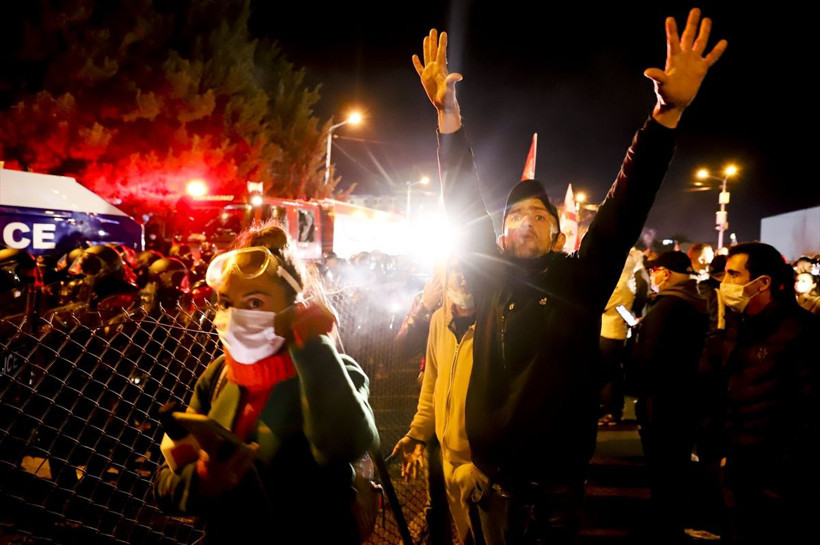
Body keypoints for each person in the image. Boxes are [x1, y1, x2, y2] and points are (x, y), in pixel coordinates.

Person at [413, 9, 726, 543]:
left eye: (539, 216)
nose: (525, 222)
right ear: (500, 235)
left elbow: (626, 205)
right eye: (515, 215)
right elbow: (461, 194)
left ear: (559, 237)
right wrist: (448, 116)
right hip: (490, 473)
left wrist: (665, 115)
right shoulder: (490, 278)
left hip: (557, 481)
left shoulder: (581, 282)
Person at [152, 219, 378, 544]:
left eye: (255, 302)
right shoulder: (217, 377)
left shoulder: (337, 370)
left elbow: (343, 445)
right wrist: (202, 482)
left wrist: (314, 346)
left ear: (293, 308)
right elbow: (164, 483)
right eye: (225, 302)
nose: (233, 316)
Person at [718, 242, 819, 545]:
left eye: (734, 275)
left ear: (762, 282)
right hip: (738, 463)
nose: (725, 283)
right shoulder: (740, 325)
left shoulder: (800, 331)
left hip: (776, 473)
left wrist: (784, 467)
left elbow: (807, 407)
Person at [392, 257, 486, 545]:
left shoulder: (496, 319)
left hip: (481, 464)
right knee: (443, 511)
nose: (461, 277)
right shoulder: (436, 317)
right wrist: (417, 433)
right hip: (444, 446)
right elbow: (429, 378)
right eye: (454, 268)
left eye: (468, 268)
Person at [631, 250, 708, 543]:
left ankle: (664, 527)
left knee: (663, 466)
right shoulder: (693, 301)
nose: (653, 277)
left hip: (662, 399)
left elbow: (649, 360)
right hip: (684, 396)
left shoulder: (667, 307)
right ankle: (670, 521)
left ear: (665, 272)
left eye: (655, 271)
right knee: (675, 464)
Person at [394, 268, 451, 544]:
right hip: (434, 406)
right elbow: (403, 347)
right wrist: (425, 308)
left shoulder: (485, 293)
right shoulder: (427, 300)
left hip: (473, 407)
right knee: (437, 497)